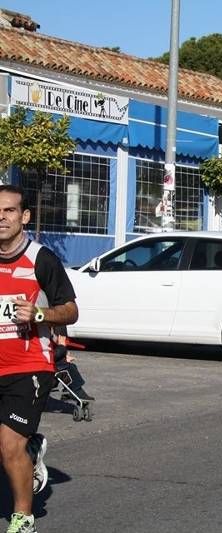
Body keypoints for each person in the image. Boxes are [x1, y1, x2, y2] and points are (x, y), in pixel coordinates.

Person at [0, 184, 79, 533]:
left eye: (10, 211)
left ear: (24, 216)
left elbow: (71, 310)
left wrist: (40, 315)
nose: (1, 218)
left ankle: (23, 519)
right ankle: (31, 449)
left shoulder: (41, 258)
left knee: (8, 445)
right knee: (9, 446)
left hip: (29, 366)